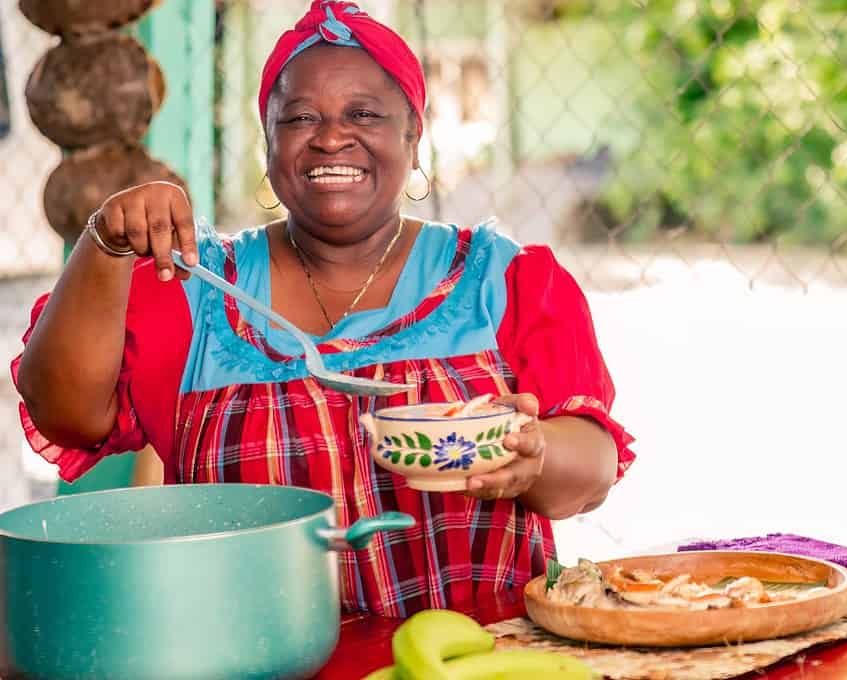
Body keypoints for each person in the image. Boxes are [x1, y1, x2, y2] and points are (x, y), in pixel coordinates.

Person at [12, 0, 635, 616]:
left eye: (363, 113)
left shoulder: (502, 281)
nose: (332, 137)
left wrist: (534, 458)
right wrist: (103, 245)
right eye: (300, 117)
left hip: (477, 654)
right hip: (252, 652)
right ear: (268, 145)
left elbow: (593, 468)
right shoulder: (191, 286)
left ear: (413, 138)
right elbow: (68, 415)